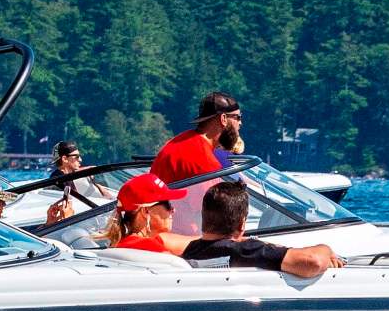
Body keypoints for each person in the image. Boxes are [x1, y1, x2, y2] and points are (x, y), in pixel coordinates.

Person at [103, 173, 341, 277]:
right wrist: (326, 249)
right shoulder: (159, 244)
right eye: (167, 204)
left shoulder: (119, 248)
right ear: (145, 212)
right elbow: (222, 244)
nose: (173, 210)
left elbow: (210, 243)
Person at [149, 92, 244, 233]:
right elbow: (212, 215)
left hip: (162, 231)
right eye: (238, 117)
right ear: (223, 119)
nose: (240, 123)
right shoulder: (202, 159)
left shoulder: (182, 141)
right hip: (184, 238)